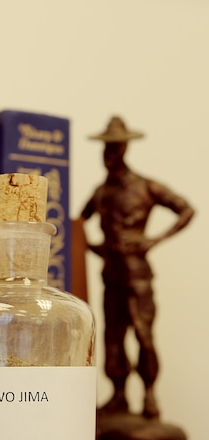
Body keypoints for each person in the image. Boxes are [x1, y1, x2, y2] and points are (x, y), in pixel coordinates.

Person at [80, 116, 194, 420]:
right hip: (112, 275)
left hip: (137, 274)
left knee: (143, 335)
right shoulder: (101, 191)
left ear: (125, 148)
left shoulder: (146, 187)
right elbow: (77, 221)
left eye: (114, 148)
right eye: (105, 148)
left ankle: (149, 396)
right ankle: (118, 396)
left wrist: (154, 240)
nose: (108, 154)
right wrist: (94, 247)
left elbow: (186, 209)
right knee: (112, 338)